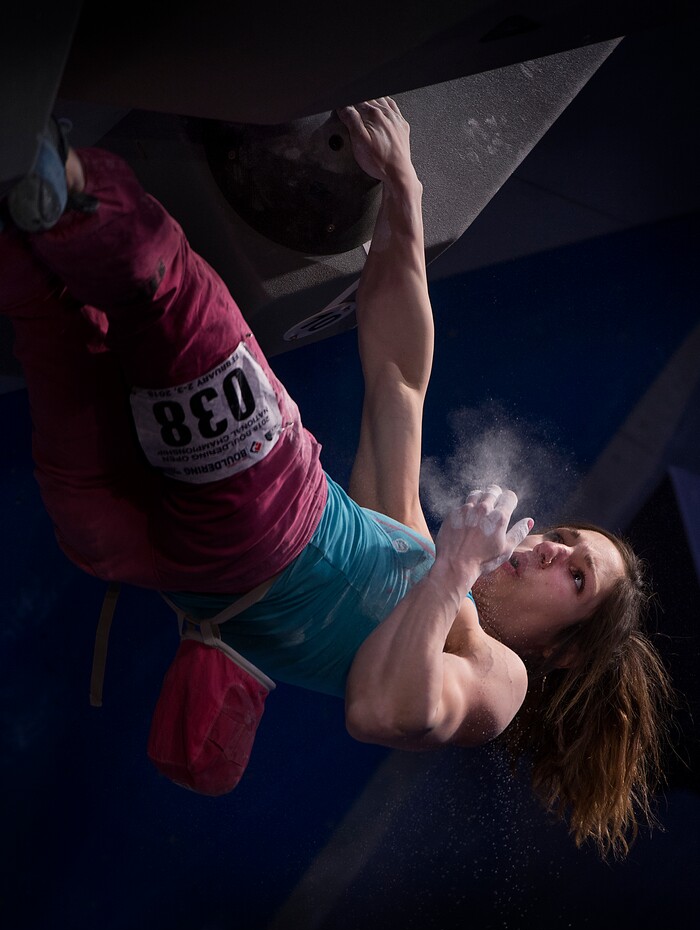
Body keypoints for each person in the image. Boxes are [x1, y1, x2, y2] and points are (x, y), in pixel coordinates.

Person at [1, 98, 672, 860]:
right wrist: (404, 189)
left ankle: (34, 153)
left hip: (250, 518)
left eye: (576, 577)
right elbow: (397, 374)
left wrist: (454, 568)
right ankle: (33, 174)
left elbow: (380, 709)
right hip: (167, 539)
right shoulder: (410, 549)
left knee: (159, 283)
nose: (551, 549)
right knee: (54, 311)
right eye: (563, 539)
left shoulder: (500, 677)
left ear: (568, 652)